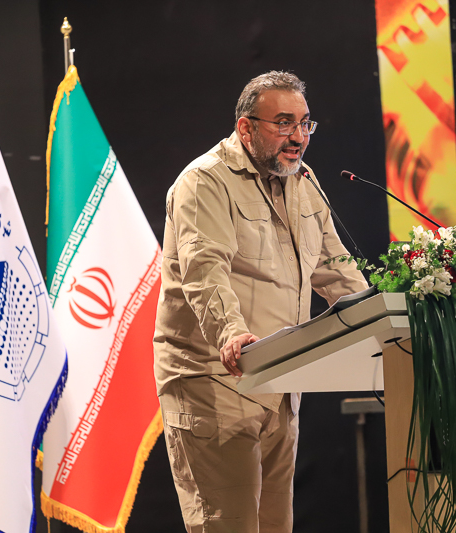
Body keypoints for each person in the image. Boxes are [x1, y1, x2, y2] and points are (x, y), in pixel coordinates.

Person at [153, 71, 369, 533]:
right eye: (284, 123)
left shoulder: (303, 181)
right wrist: (231, 333)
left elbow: (336, 269)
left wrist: (384, 323)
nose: (298, 137)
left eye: (305, 124)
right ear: (246, 127)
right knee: (228, 526)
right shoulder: (205, 181)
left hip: (281, 383)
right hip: (215, 381)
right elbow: (204, 270)